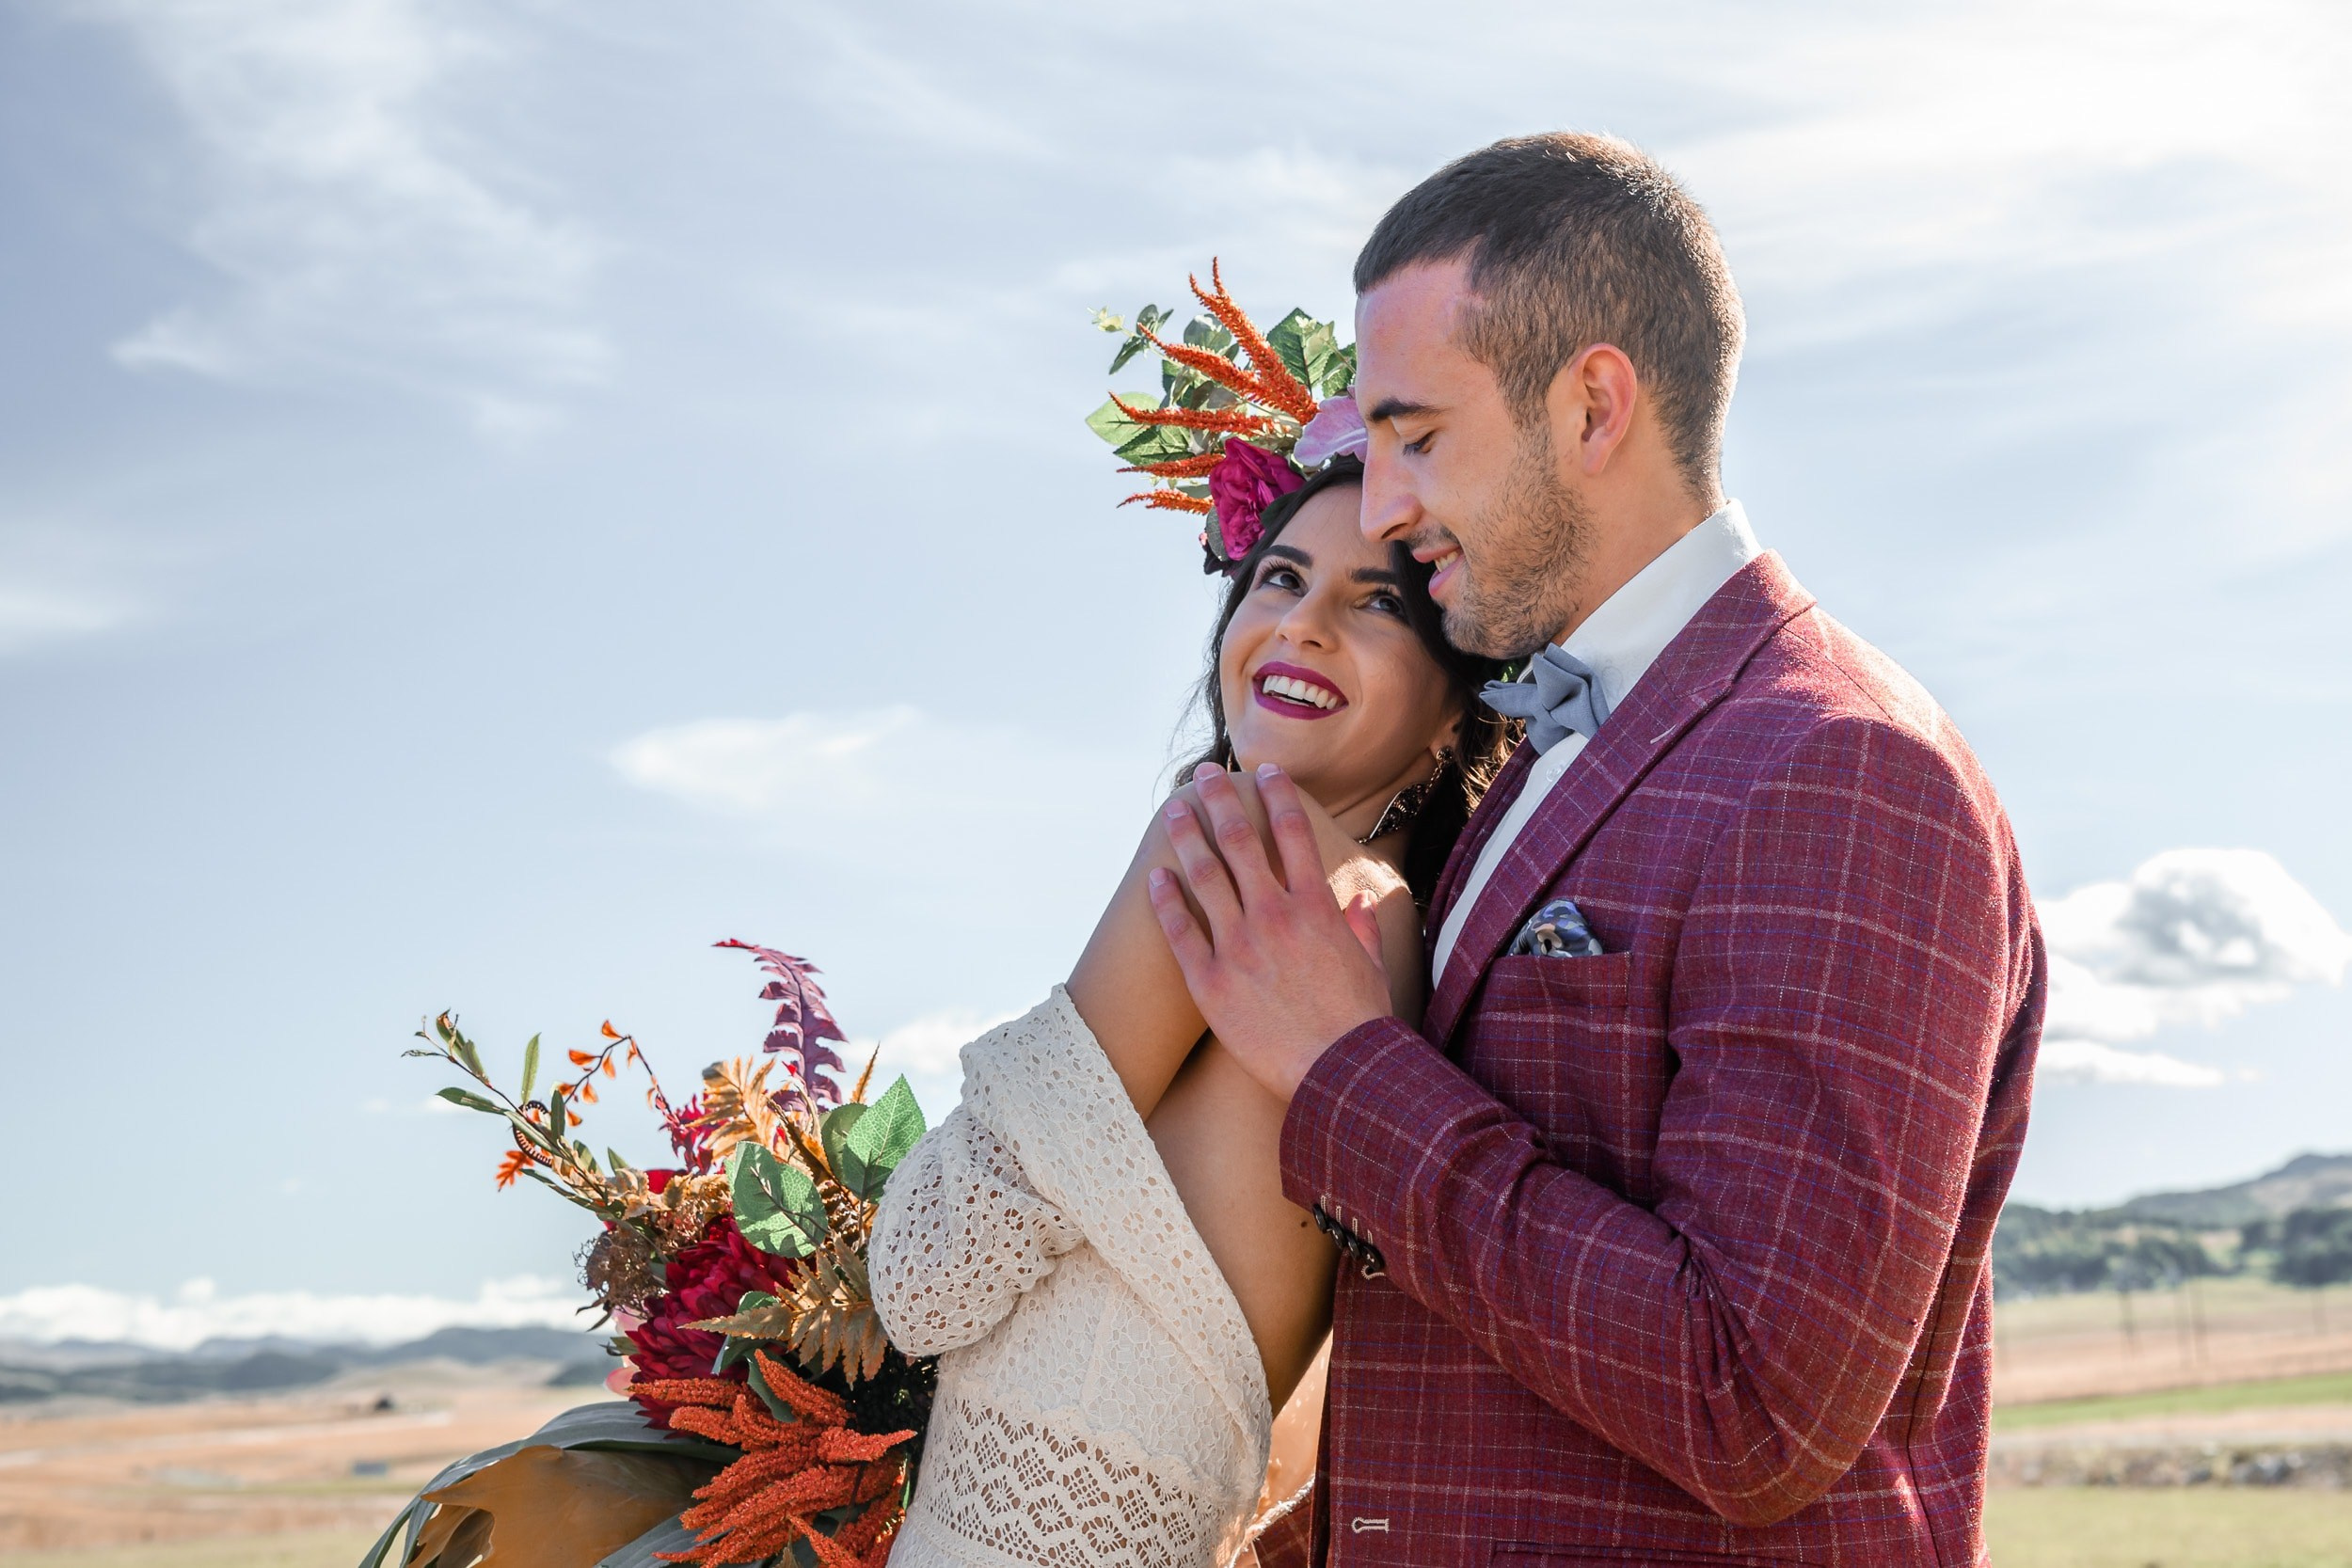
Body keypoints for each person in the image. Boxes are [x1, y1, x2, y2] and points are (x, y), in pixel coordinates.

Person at [1146, 135, 2045, 1566]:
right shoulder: (1542, 756)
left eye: (1419, 435)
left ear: (1594, 403)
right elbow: (1505, 1385)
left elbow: (1750, 1402)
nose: (1380, 501)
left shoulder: (1845, 765)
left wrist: (1338, 1066)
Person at [867, 395, 1516, 1566]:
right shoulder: (1400, 937)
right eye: (1276, 577)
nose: (1301, 624)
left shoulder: (1229, 846)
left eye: (1376, 602)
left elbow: (924, 1275)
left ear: (1451, 716)